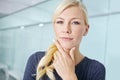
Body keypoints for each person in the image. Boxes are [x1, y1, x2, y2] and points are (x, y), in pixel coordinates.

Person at [23, 0, 105, 80]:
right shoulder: (36, 60)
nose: (66, 29)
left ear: (86, 30)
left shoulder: (96, 69)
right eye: (60, 22)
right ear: (54, 27)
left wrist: (69, 76)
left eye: (75, 22)